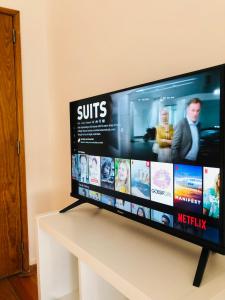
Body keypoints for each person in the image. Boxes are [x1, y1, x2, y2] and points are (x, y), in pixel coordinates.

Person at [171, 98, 202, 163]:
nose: (195, 113)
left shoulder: (199, 124)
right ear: (187, 110)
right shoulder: (181, 124)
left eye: (198, 110)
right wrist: (177, 164)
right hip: (184, 161)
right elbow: (174, 147)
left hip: (196, 160)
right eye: (193, 110)